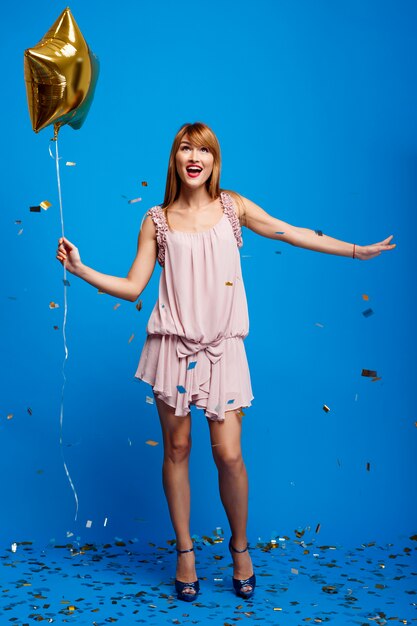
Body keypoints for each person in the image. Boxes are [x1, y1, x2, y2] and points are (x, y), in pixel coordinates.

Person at [56, 121, 396, 602]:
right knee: (176, 450)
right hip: (172, 348)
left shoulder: (232, 208)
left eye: (204, 151)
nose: (194, 157)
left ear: (215, 162)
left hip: (223, 349)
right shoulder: (155, 219)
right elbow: (133, 287)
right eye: (185, 148)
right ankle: (185, 551)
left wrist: (356, 251)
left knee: (229, 455)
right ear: (174, 159)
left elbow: (293, 233)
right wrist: (81, 267)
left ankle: (239, 547)